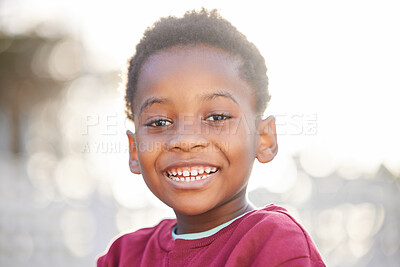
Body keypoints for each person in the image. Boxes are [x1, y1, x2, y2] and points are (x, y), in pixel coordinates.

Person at [97, 9, 325, 267]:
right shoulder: (123, 256)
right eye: (159, 122)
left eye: (216, 118)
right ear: (135, 151)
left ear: (264, 139)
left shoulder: (273, 241)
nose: (185, 139)